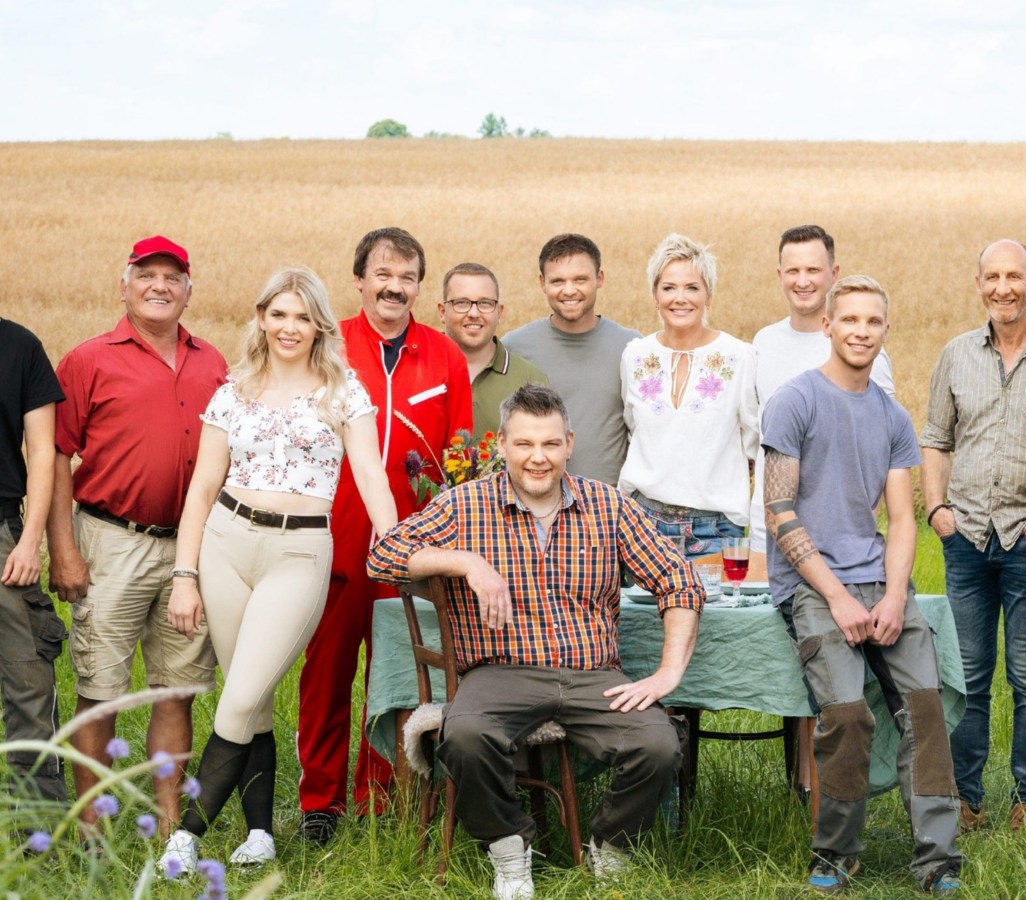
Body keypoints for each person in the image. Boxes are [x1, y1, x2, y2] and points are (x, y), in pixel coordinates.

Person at [366, 383, 703, 900]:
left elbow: (679, 580)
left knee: (658, 745)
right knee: (463, 736)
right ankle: (509, 850)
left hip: (594, 675)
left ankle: (609, 846)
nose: (538, 458)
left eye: (549, 444)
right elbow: (383, 555)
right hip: (501, 672)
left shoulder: (609, 506)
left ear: (569, 443)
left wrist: (668, 673)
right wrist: (467, 561)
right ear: (501, 445)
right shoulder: (466, 504)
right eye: (524, 444)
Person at [157, 267, 397, 872]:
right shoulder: (233, 389)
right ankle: (260, 833)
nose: (290, 327)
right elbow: (203, 488)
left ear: (320, 324)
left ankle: (186, 837)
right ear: (261, 318)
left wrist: (392, 541)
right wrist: (185, 575)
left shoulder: (345, 392)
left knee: (236, 699)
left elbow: (370, 475)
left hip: (298, 554)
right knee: (254, 699)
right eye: (279, 314)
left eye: (303, 316)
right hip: (225, 545)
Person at [763, 276, 961, 894]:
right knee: (848, 716)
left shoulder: (892, 416)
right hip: (812, 585)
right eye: (848, 320)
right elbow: (779, 512)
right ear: (828, 325)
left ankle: (938, 860)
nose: (860, 331)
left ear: (885, 330)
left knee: (925, 709)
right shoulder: (793, 402)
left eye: (872, 322)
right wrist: (839, 596)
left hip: (879, 580)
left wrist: (896, 595)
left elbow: (903, 519)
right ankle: (836, 852)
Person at [47, 236, 227, 837]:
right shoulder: (88, 359)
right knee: (100, 689)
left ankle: (170, 825)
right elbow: (54, 459)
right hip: (109, 540)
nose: (159, 286)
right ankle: (91, 832)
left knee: (177, 691)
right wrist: (64, 550)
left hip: (191, 548)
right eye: (146, 275)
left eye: (172, 277)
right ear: (123, 284)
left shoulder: (213, 363)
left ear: (188, 290)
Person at [296, 228, 472, 842]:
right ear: (360, 281)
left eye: (408, 277)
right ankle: (320, 804)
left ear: (420, 286)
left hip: (412, 546)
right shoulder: (328, 345)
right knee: (327, 672)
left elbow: (458, 459)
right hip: (334, 536)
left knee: (396, 672)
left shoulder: (444, 355)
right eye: (383, 274)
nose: (395, 287)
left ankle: (381, 797)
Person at [920, 240, 1026, 832]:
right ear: (979, 283)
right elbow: (934, 437)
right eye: (993, 277)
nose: (1004, 287)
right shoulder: (955, 355)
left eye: (1015, 276)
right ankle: (966, 800)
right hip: (967, 536)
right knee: (969, 676)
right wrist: (936, 510)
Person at [749, 225, 894, 553]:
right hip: (765, 537)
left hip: (838, 543)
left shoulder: (863, 350)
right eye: (793, 271)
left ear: (834, 273)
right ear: (779, 274)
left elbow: (881, 451)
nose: (803, 281)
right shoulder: (763, 343)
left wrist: (861, 531)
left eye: (813, 270)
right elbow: (755, 436)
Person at [618, 234, 758, 556]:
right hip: (642, 523)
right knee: (640, 610)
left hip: (716, 528)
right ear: (655, 295)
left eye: (692, 287)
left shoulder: (739, 357)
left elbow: (752, 442)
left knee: (717, 608)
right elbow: (633, 427)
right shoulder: (635, 355)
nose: (680, 298)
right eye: (669, 288)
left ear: (709, 295)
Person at [504, 234, 639, 485]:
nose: (569, 290)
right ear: (542, 283)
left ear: (599, 278)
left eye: (580, 279)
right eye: (557, 281)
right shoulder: (514, 347)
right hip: (534, 503)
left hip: (609, 504)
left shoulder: (632, 348)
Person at [0, 317, 68, 812]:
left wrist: (29, 542)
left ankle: (37, 838)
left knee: (30, 685)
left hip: (4, 537)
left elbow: (43, 451)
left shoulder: (21, 345)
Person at [437, 262, 548, 437]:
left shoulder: (531, 380)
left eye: (485, 303)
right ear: (442, 312)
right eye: (461, 303)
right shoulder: (412, 369)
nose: (474, 313)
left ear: (499, 312)